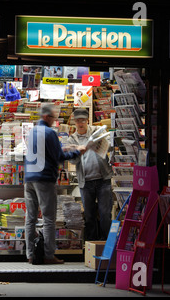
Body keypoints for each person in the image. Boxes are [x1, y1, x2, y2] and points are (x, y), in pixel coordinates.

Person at [24, 104, 86, 265]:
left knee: (30, 218)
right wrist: (78, 151)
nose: (54, 121)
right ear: (46, 117)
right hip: (44, 178)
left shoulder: (32, 132)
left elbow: (44, 151)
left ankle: (30, 254)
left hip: (29, 178)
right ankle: (48, 255)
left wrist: (66, 147)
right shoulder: (49, 132)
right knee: (49, 218)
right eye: (53, 118)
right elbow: (59, 157)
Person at [66, 108, 113, 241]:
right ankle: (92, 245)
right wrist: (80, 150)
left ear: (87, 120)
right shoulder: (72, 140)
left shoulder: (97, 132)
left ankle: (106, 243)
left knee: (105, 214)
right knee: (89, 215)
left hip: (103, 179)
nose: (80, 123)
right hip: (85, 182)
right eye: (78, 120)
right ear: (74, 122)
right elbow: (73, 161)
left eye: (83, 120)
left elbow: (109, 146)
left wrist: (101, 143)